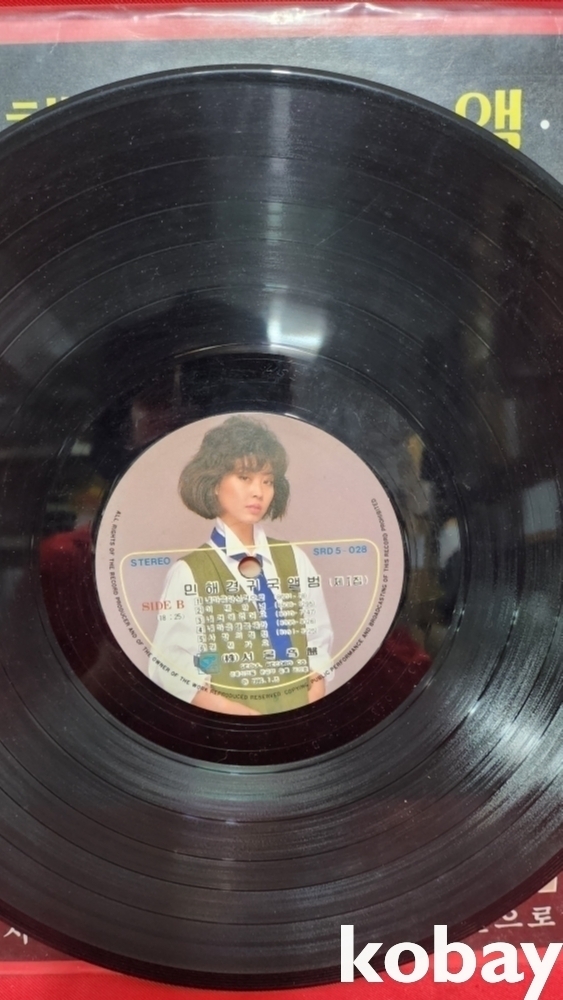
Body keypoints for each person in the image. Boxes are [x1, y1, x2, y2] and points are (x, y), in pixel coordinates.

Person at [149, 415, 333, 715]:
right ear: (214, 483)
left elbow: (317, 643)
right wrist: (245, 719)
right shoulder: (189, 573)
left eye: (267, 481)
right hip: (229, 727)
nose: (258, 491)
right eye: (245, 478)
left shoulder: (295, 559)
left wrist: (305, 712)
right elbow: (172, 669)